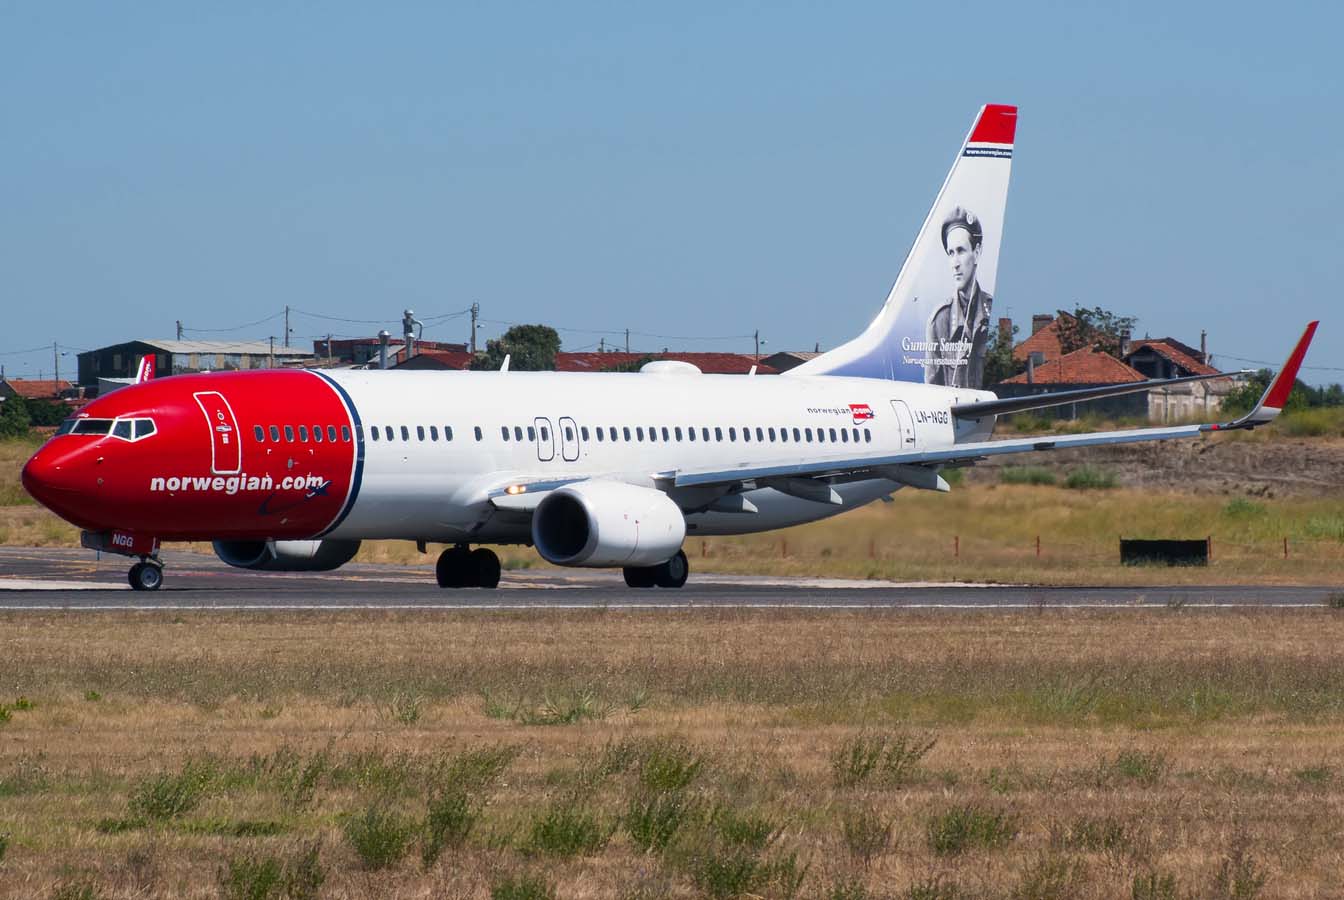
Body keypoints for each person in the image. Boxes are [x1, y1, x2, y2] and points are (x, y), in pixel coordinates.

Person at [925, 206, 992, 388]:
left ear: (976, 253)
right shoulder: (939, 321)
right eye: (951, 253)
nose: (955, 263)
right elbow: (931, 389)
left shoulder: (990, 310)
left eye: (961, 251)